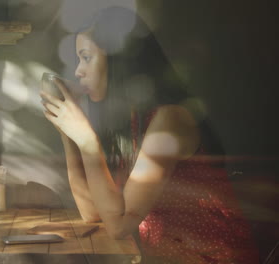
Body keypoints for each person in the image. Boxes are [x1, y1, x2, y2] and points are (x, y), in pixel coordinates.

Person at [40, 6, 258, 264]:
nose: (78, 71)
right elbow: (92, 212)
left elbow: (119, 227)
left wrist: (87, 141)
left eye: (86, 57)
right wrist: (69, 135)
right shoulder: (131, 124)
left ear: (119, 58)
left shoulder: (170, 120)